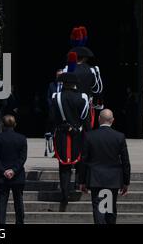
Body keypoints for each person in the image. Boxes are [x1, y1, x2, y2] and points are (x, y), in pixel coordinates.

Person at [79, 109, 131, 224]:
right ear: (112, 120)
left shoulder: (89, 136)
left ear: (98, 119)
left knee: (98, 209)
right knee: (110, 210)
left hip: (96, 179)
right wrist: (126, 182)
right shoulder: (119, 137)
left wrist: (82, 181)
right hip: (113, 179)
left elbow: (83, 161)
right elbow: (125, 162)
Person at [49, 72, 89, 211]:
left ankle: (65, 193)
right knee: (79, 159)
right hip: (78, 133)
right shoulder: (83, 97)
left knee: (64, 166)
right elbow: (85, 117)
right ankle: (78, 183)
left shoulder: (56, 97)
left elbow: (52, 117)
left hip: (61, 134)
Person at [0, 115, 27, 224]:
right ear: (15, 125)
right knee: (18, 201)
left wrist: (3, 170)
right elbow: (22, 158)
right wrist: (14, 170)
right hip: (18, 175)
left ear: (2, 125)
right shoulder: (21, 138)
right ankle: (19, 222)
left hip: (2, 176)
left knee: (1, 202)